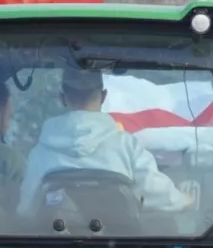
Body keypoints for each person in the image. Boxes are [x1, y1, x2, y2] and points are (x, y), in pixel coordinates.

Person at [17, 68, 193, 216]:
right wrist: (183, 199)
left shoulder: (40, 152)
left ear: (62, 98)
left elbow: (26, 209)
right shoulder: (126, 145)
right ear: (103, 96)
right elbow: (155, 193)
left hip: (62, 242)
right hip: (122, 246)